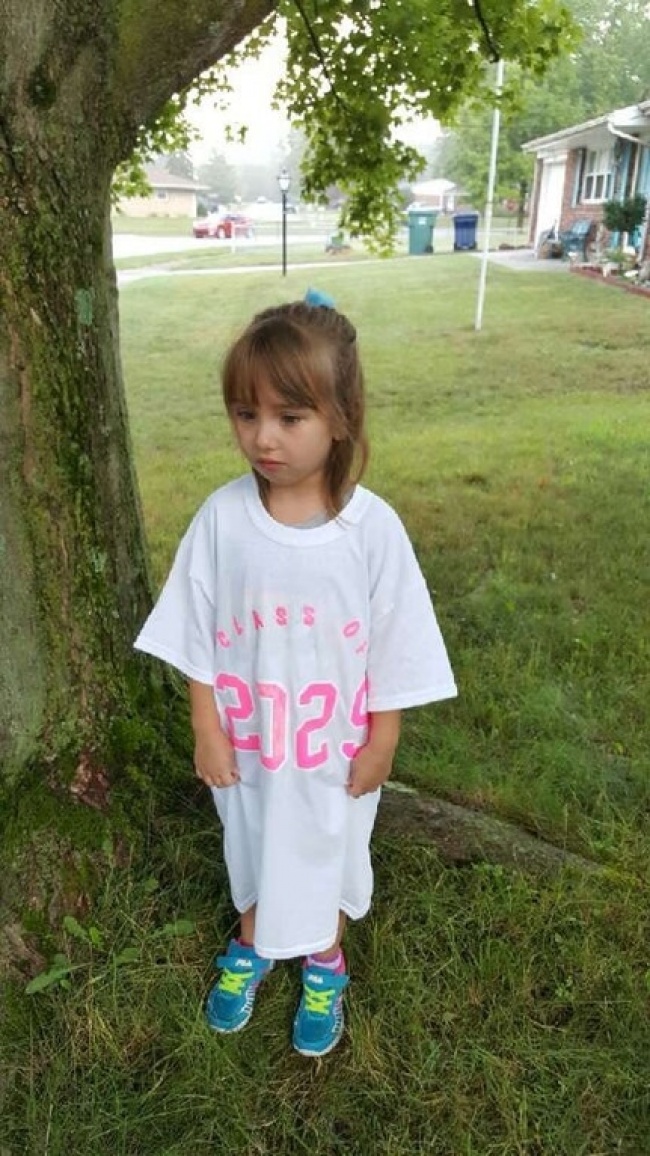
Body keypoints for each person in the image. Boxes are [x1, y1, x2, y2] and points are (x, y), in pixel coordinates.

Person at [134, 290, 457, 1057]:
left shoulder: (370, 531)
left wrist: (383, 740)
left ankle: (323, 963)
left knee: (328, 851)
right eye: (246, 414)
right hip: (249, 750)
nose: (263, 437)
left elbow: (395, 646)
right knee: (253, 847)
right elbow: (196, 630)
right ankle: (252, 941)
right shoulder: (222, 520)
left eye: (289, 416)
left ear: (340, 417)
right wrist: (206, 727)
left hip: (332, 753)